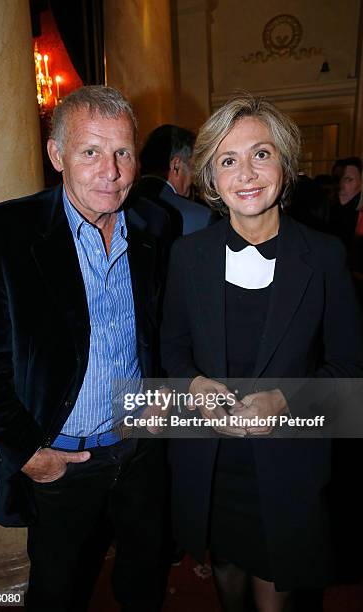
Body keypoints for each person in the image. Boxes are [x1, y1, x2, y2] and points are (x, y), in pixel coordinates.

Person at [0, 86, 169, 612]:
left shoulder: (155, 227)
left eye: (122, 152)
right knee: (58, 589)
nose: (111, 171)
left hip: (141, 450)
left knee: (144, 575)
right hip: (63, 460)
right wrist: (28, 453)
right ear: (57, 155)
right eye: (90, 152)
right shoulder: (2, 233)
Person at [161, 93, 363, 611]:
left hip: (289, 460)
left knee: (278, 594)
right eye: (228, 160)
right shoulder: (187, 256)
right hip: (213, 460)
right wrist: (195, 387)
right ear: (211, 177)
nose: (246, 173)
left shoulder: (324, 255)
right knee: (227, 574)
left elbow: (350, 368)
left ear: (286, 164)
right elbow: (172, 349)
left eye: (261, 153)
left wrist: (287, 400)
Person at [130, 124, 215, 238]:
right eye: (193, 167)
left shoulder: (120, 206)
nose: (194, 179)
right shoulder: (200, 216)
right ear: (176, 166)